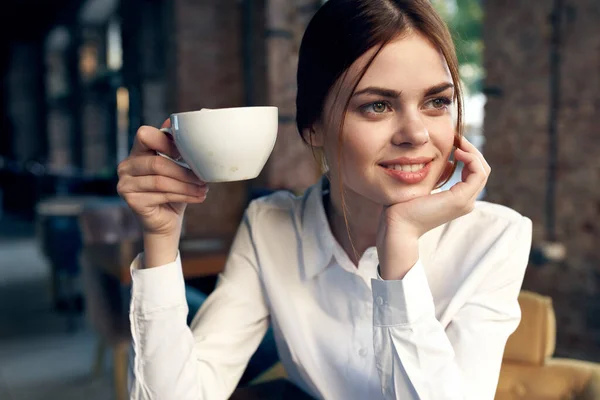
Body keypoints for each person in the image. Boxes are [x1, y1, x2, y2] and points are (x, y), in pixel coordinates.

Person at [116, 0, 532, 399]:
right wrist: (161, 236)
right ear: (313, 127)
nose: (417, 134)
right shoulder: (269, 227)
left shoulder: (496, 238)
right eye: (378, 106)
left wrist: (400, 247)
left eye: (436, 102)